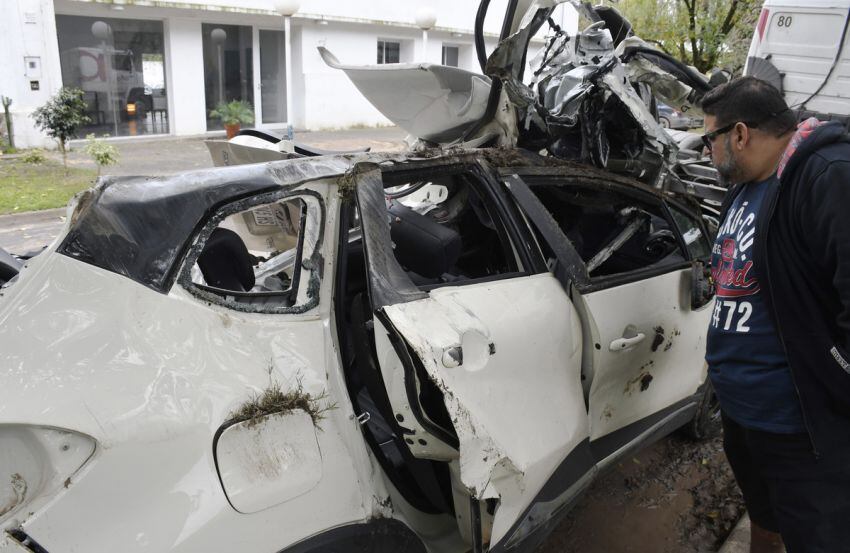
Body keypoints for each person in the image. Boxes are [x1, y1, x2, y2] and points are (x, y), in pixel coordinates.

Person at [701, 76, 850, 553]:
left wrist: (836, 386)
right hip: (745, 415)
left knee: (816, 537)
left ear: (740, 134)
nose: (706, 151)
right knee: (765, 519)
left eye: (709, 139)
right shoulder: (745, 188)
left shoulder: (826, 174)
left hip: (800, 426)